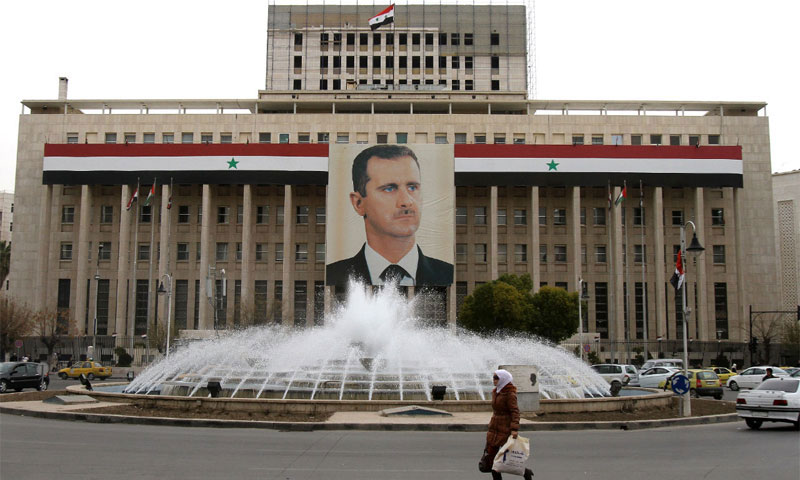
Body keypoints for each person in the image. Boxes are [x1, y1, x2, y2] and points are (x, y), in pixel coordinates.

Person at [326, 145, 453, 286]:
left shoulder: (448, 274)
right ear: (358, 203)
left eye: (412, 187)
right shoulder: (333, 274)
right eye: (389, 189)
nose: (406, 201)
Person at [479, 369, 533, 480]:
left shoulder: (510, 393)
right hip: (494, 429)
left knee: (509, 459)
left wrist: (514, 429)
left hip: (505, 429)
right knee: (492, 460)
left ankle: (525, 472)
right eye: (493, 377)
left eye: (496, 378)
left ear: (503, 379)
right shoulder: (496, 391)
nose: (494, 380)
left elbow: (515, 412)